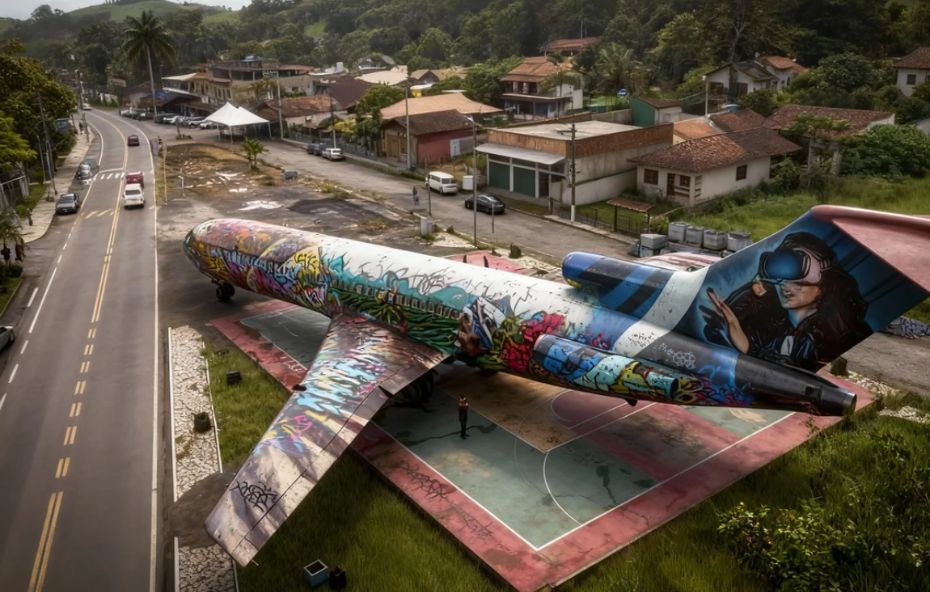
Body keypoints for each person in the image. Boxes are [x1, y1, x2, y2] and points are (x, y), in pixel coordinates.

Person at [703, 232, 871, 371]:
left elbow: (797, 371)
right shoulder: (774, 328)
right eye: (780, 278)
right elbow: (714, 334)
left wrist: (748, 349)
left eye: (797, 280)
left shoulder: (832, 336)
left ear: (824, 282)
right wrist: (750, 292)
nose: (785, 286)